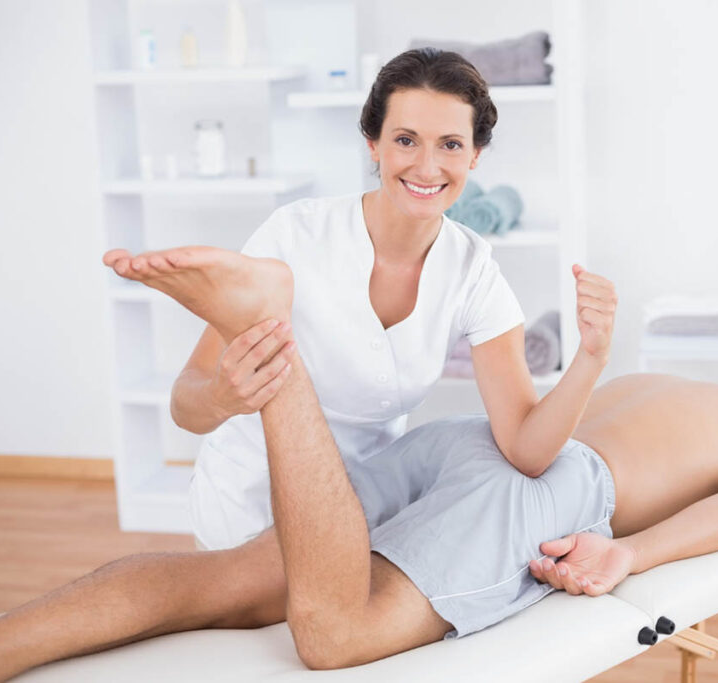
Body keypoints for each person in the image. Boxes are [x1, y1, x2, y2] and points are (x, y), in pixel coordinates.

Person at [0, 247, 718, 679]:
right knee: (335, 635)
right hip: (552, 483)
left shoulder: (665, 383)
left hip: (469, 437)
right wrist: (628, 553)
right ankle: (276, 347)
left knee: (229, 581)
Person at [165, 48, 618, 550]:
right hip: (245, 510)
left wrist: (591, 357)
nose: (427, 167)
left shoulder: (473, 272)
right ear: (373, 144)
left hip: (363, 515)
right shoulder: (295, 236)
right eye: (406, 140)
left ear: (474, 155)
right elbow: (187, 404)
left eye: (450, 144)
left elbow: (526, 448)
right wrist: (223, 398)